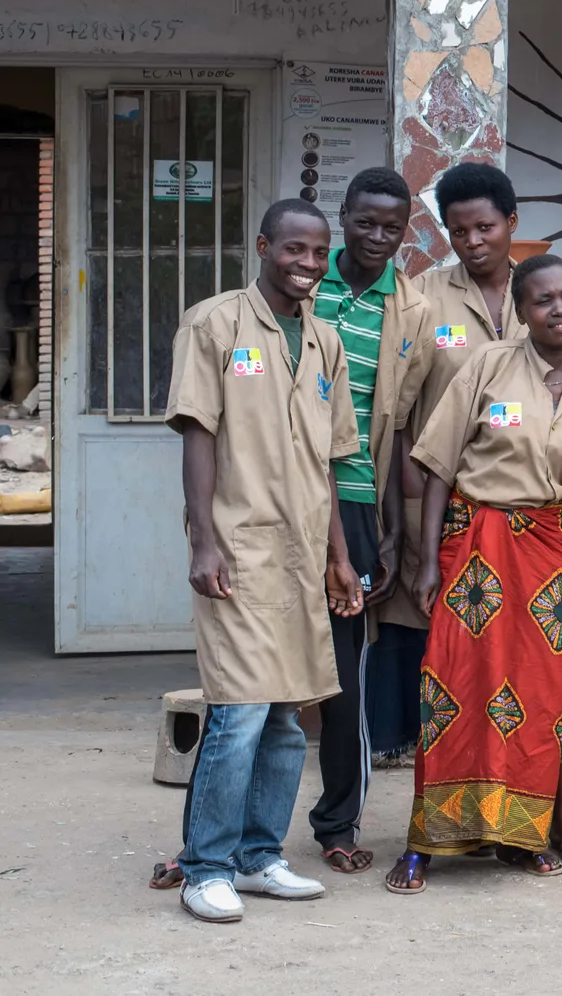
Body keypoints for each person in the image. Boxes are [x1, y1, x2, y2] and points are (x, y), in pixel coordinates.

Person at [384, 254, 562, 893]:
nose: (559, 309)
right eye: (543, 300)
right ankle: (427, 840)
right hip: (475, 549)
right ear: (523, 311)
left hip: (554, 561)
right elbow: (437, 467)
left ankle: (520, 834)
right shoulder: (488, 366)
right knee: (451, 694)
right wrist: (428, 563)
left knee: (538, 700)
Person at [164, 199, 363, 923]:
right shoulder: (215, 323)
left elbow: (333, 465)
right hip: (240, 547)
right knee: (240, 712)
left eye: (319, 253)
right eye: (295, 250)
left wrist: (340, 561)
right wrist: (204, 539)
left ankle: (259, 857)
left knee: (286, 714)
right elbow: (197, 433)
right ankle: (205, 867)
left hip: (303, 552)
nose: (308, 264)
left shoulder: (326, 342)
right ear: (263, 246)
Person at [369, 162, 526, 774]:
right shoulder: (422, 297)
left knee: (513, 618)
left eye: (485, 227)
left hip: (518, 494)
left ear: (511, 223)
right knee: (416, 605)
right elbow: (398, 402)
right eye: (459, 232)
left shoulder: (545, 290)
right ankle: (397, 734)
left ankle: (509, 743)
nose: (473, 242)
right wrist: (404, 488)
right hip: (433, 487)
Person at [305, 168, 435, 876]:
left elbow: (402, 425)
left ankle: (337, 820)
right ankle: (227, 823)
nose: (378, 237)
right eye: (366, 222)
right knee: (258, 661)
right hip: (276, 493)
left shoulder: (410, 310)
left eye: (393, 227)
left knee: (344, 670)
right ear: (345, 217)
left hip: (354, 494)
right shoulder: (300, 278)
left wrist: (388, 530)